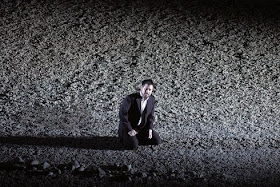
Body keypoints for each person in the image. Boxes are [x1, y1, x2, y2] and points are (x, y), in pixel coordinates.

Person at [118, 79, 162, 150]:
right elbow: (123, 115)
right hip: (129, 128)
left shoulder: (152, 99)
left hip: (141, 128)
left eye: (150, 90)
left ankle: (136, 138)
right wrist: (129, 130)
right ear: (141, 88)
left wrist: (150, 129)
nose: (147, 91)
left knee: (157, 140)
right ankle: (128, 139)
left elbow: (151, 116)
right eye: (146, 89)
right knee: (133, 146)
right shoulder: (130, 98)